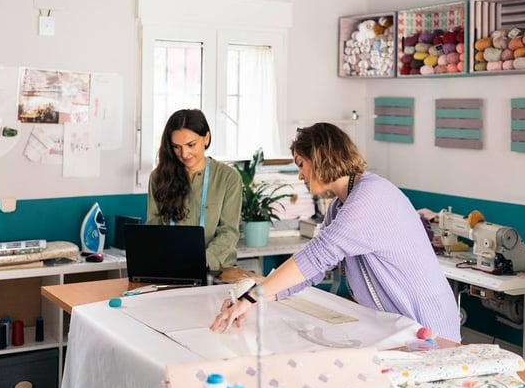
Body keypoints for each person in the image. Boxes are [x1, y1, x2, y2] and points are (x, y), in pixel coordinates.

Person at [210, 122, 461, 342]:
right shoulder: (341, 205)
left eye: (301, 164)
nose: (300, 175)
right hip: (398, 324)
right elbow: (313, 271)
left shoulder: (371, 196)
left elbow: (316, 256)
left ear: (320, 158)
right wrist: (252, 299)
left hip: (427, 323)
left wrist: (254, 296)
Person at [146, 108, 242, 271]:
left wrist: (203, 261)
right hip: (171, 268)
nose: (184, 153)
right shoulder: (158, 177)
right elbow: (154, 227)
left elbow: (229, 231)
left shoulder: (228, 178)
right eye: (177, 147)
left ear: (206, 138)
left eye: (191, 145)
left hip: (217, 271)